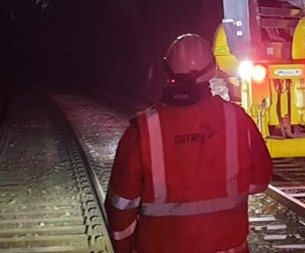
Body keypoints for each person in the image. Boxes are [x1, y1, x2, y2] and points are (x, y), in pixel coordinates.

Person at [106, 33, 272, 253]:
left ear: (167, 72)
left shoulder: (142, 129)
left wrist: (124, 248)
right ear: (213, 70)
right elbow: (260, 181)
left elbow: (120, 208)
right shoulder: (237, 119)